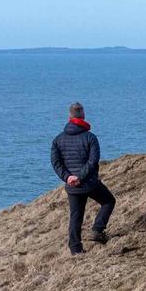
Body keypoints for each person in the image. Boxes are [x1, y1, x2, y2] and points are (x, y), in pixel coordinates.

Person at [49, 102, 115, 254]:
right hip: (89, 183)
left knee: (75, 217)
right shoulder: (90, 138)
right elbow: (93, 161)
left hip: (72, 186)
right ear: (83, 116)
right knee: (108, 201)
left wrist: (68, 178)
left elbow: (56, 162)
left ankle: (75, 250)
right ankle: (97, 229)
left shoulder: (58, 139)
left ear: (69, 117)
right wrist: (79, 176)